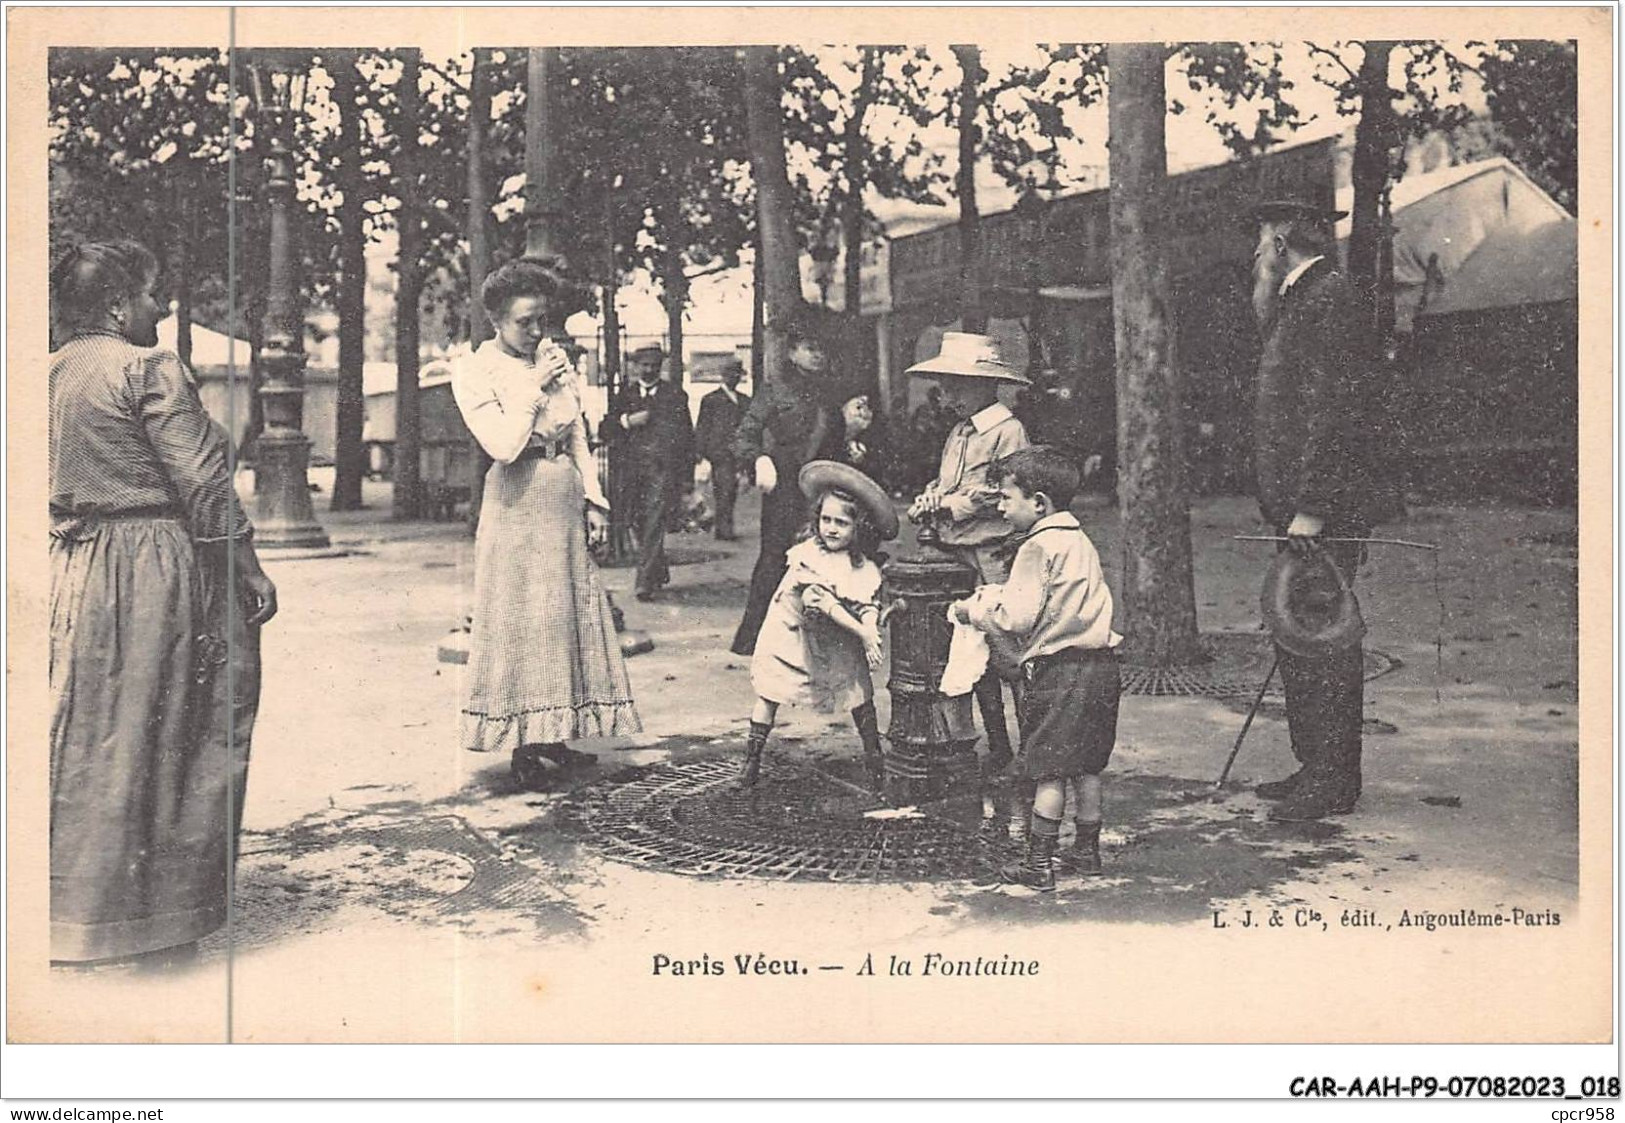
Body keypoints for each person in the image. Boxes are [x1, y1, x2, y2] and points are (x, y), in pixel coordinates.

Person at [48, 239, 277, 968]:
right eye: (150, 295)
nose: (159, 307)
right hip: (154, 562)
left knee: (93, 731)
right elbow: (204, 483)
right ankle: (158, 915)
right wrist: (248, 566)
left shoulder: (43, 373)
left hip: (74, 565)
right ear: (118, 305)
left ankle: (76, 911)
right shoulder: (145, 367)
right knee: (186, 718)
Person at [452, 258, 641, 788]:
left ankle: (556, 733)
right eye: (525, 322)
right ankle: (522, 747)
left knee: (563, 615)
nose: (537, 332)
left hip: (561, 496)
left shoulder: (553, 357)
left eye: (542, 320)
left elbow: (576, 431)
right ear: (495, 320)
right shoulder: (475, 369)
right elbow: (505, 445)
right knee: (524, 616)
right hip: (517, 498)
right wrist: (534, 385)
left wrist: (595, 502)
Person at [1249, 198, 1398, 822]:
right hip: (1302, 510)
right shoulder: (1303, 300)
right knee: (1301, 633)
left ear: (1282, 244)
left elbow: (1332, 415)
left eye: (1260, 246)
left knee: (1323, 641)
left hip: (1320, 512)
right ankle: (1315, 766)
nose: (1254, 258)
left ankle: (1332, 780)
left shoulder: (1326, 299)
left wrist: (1311, 506)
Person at [951, 447, 1121, 891]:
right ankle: (1088, 851)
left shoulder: (1037, 546)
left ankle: (1039, 864)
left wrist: (976, 613)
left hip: (1061, 670)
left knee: (1048, 769)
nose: (1001, 507)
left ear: (1039, 503)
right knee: (1087, 767)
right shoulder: (1079, 540)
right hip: (1102, 665)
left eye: (1007, 498)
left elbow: (1017, 618)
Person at [904, 332, 1032, 776]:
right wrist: (931, 497)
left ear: (987, 386)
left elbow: (1004, 490)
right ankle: (997, 744)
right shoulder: (959, 431)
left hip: (992, 553)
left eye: (959, 384)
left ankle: (1029, 750)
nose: (950, 394)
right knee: (967, 648)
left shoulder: (1008, 430)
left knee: (1008, 649)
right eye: (947, 384)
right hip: (954, 552)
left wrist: (952, 504)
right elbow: (948, 483)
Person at [741, 461, 898, 793]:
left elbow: (867, 601)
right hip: (791, 633)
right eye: (826, 520)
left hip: (834, 636)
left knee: (859, 688)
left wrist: (871, 628)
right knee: (771, 690)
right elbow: (819, 599)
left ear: (861, 528)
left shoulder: (863, 566)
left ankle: (874, 758)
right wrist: (863, 632)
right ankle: (751, 759)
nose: (831, 529)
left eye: (842, 522)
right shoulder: (807, 555)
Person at [729, 304, 845, 655]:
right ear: (793, 351)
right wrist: (760, 459)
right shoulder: (775, 389)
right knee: (775, 559)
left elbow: (837, 438)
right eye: (810, 349)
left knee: (829, 559)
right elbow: (742, 437)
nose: (818, 356)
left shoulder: (833, 391)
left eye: (822, 350)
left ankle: (817, 641)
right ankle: (754, 640)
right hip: (784, 488)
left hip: (826, 487)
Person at [605, 343, 696, 600]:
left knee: (655, 522)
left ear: (660, 367)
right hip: (631, 471)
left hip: (662, 470)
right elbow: (606, 428)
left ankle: (644, 582)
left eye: (654, 366)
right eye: (644, 365)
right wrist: (627, 421)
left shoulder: (674, 395)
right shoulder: (625, 394)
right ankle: (657, 568)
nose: (649, 370)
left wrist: (687, 478)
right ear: (636, 366)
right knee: (635, 521)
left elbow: (687, 436)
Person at [693, 358, 751, 540]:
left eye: (736, 374)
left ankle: (724, 526)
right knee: (724, 490)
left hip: (738, 452)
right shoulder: (711, 399)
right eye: (729, 374)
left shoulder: (744, 400)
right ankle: (724, 529)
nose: (733, 378)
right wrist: (700, 452)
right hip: (719, 452)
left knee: (731, 490)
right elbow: (702, 426)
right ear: (723, 376)